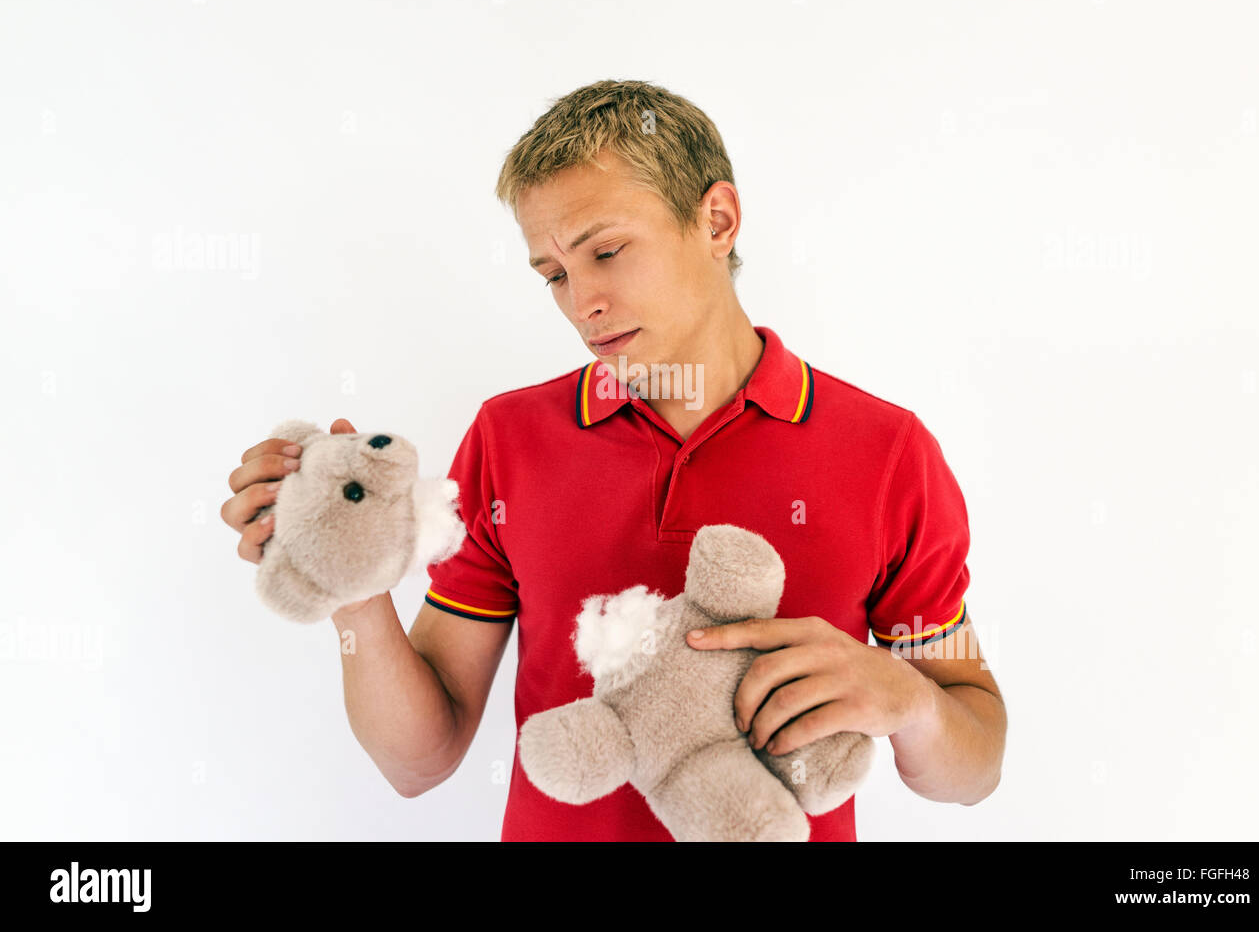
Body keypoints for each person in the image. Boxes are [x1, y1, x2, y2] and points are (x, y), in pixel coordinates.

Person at [223, 79, 1006, 841]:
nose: (580, 304)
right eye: (555, 274)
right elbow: (419, 761)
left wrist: (913, 701)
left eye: (607, 251)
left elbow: (976, 764)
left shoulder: (885, 451)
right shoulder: (510, 437)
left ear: (718, 220)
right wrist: (350, 587)